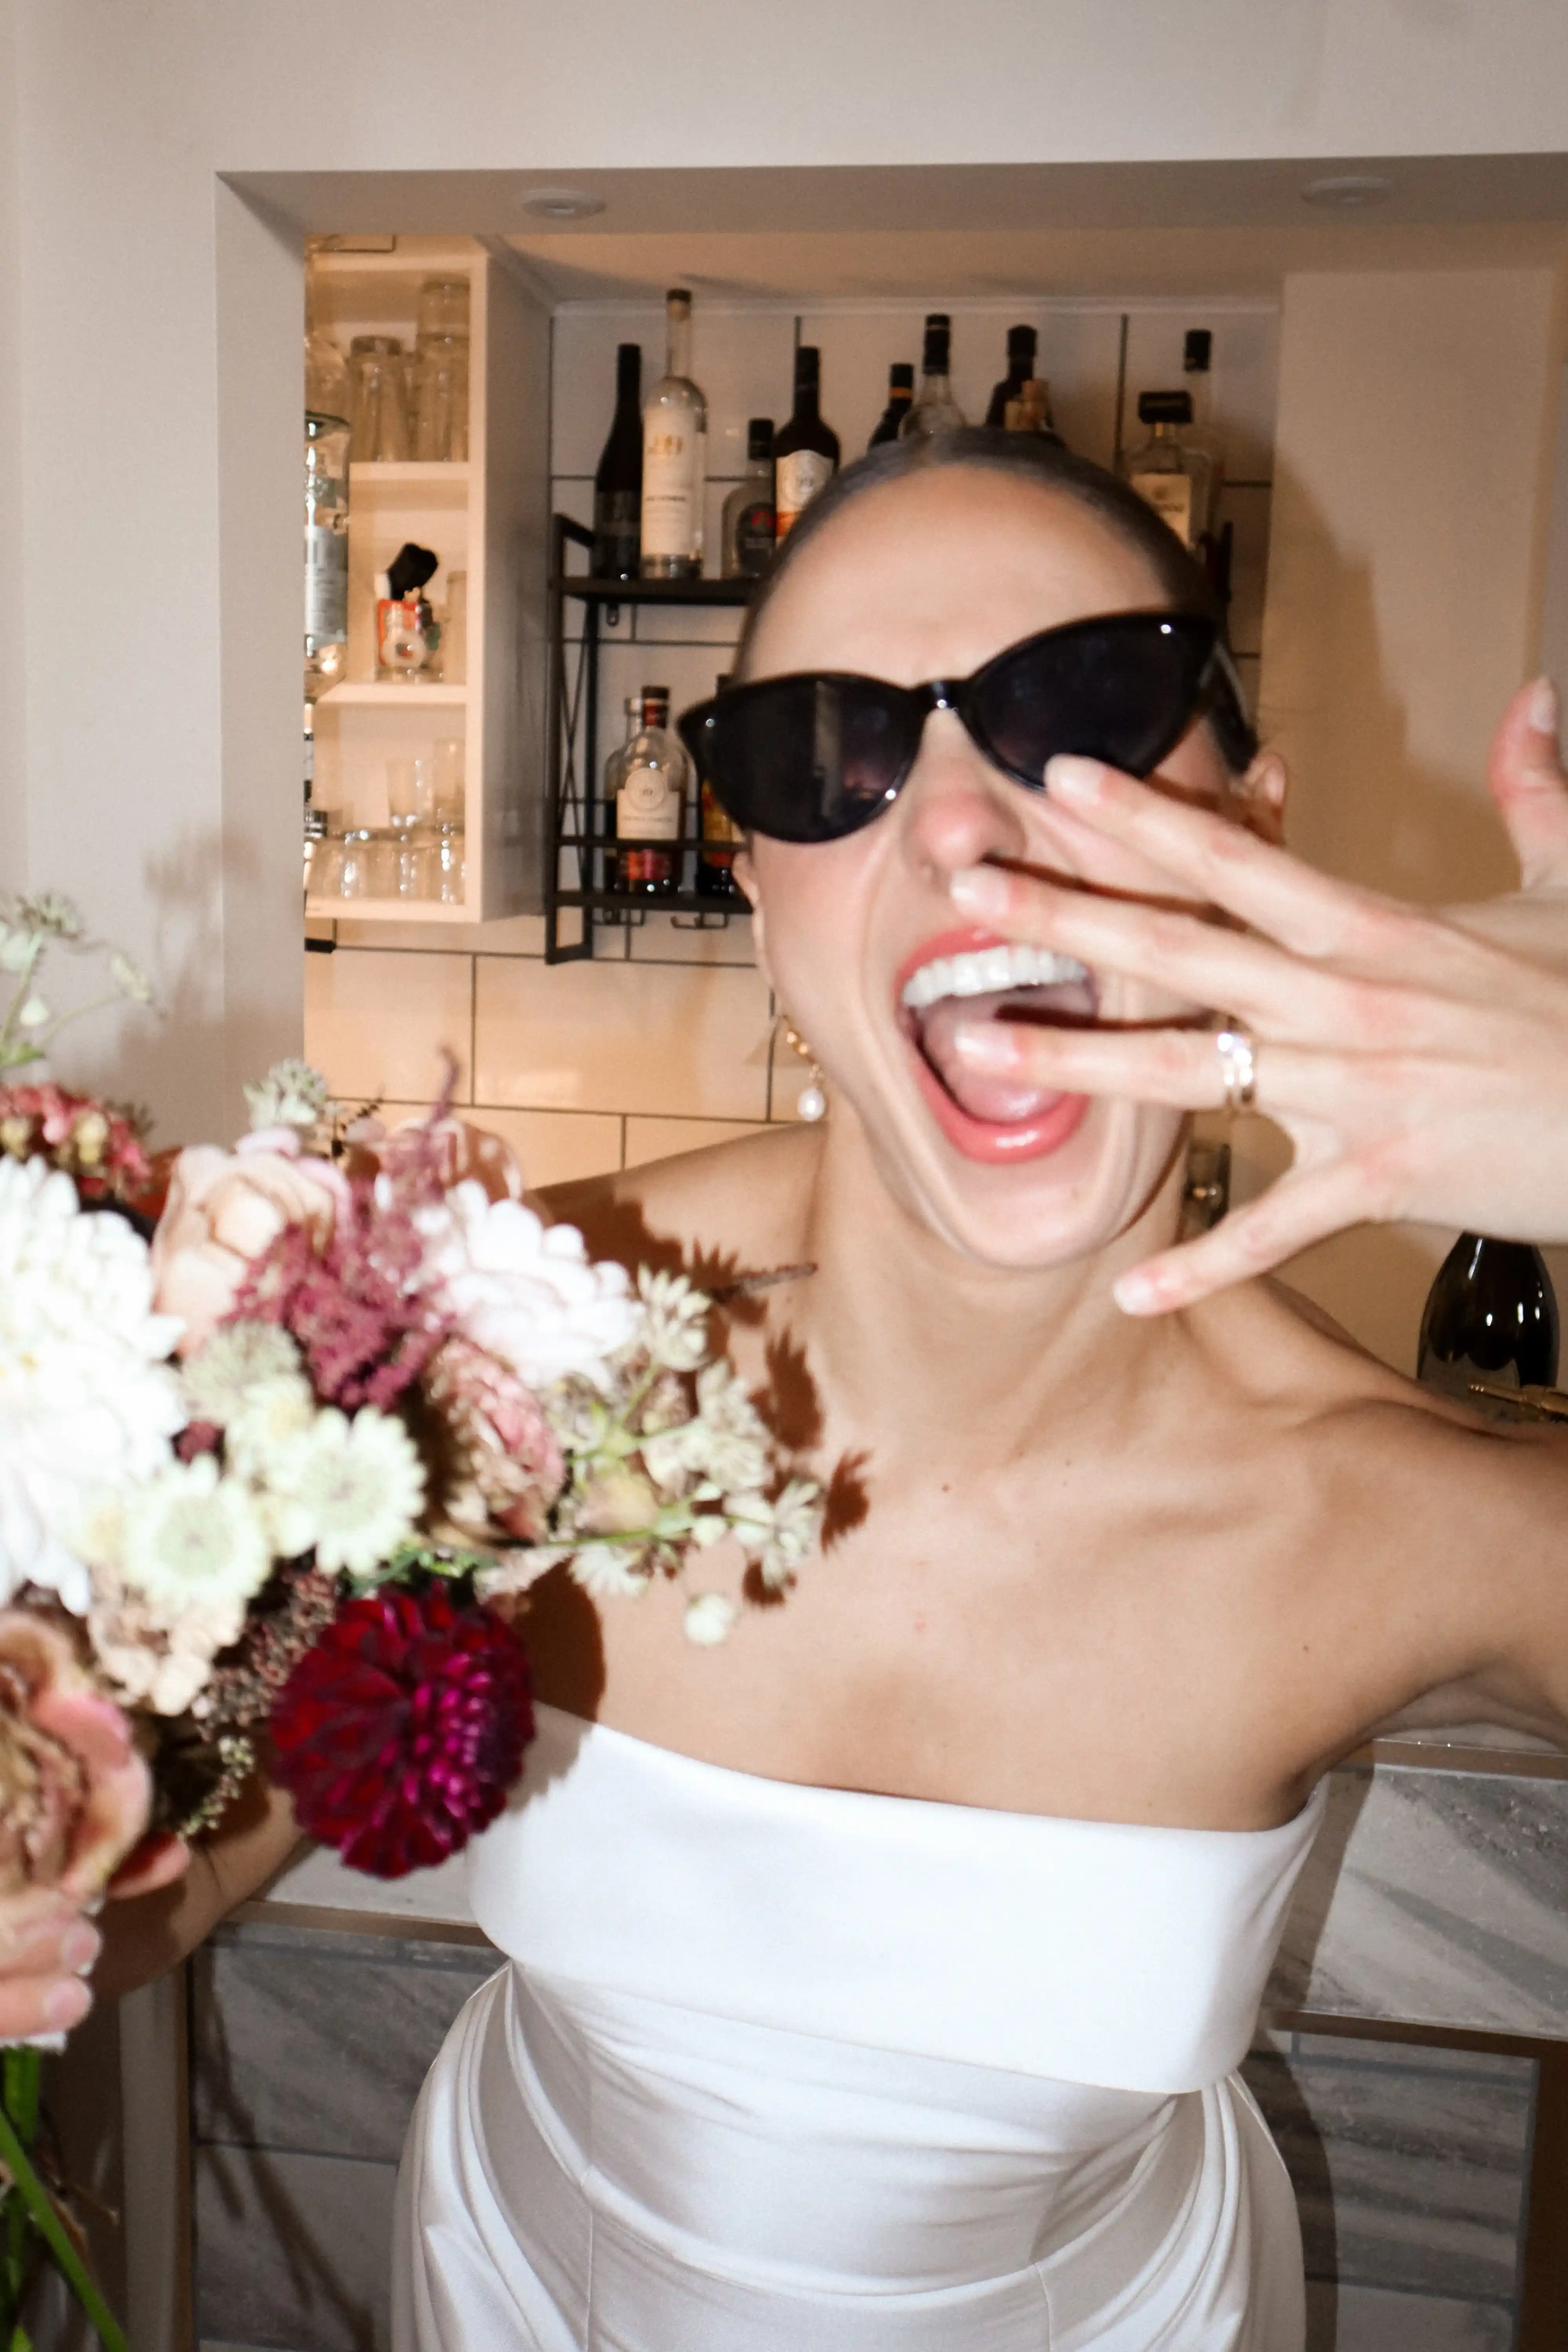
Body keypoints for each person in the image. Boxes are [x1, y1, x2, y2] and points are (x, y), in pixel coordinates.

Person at [54, 432, 1568, 2347]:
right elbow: (142, 1891)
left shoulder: (1396, 1512)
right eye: (827, 755)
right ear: (768, 906)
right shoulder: (511, 1338)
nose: (954, 825)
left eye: (1082, 701)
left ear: (1251, 829)